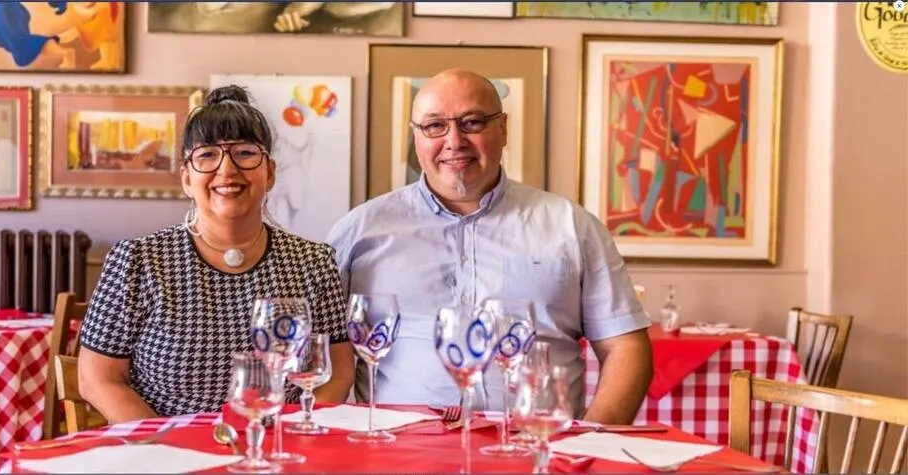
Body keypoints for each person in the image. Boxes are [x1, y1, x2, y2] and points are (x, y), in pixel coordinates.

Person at [325, 69, 652, 425]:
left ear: (503, 128)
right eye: (434, 126)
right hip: (396, 446)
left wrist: (591, 439)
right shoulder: (360, 230)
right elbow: (318, 351)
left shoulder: (571, 226)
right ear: (416, 136)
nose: (454, 141)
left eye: (472, 122)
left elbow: (625, 348)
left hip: (536, 444)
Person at [77, 85, 355, 423]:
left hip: (279, 444)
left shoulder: (314, 264)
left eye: (245, 153)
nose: (226, 169)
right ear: (186, 178)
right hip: (163, 447)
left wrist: (295, 433)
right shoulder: (138, 262)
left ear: (269, 173)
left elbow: (337, 372)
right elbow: (97, 379)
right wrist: (165, 443)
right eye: (207, 155)